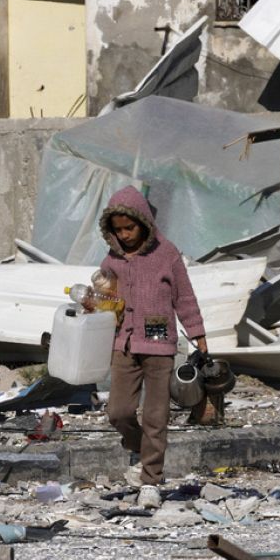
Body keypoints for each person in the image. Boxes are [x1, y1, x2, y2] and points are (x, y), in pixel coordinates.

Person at [98, 186, 206, 489]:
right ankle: (139, 447)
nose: (124, 235)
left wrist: (197, 332)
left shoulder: (167, 254)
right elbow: (104, 296)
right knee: (118, 412)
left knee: (156, 416)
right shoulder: (112, 259)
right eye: (118, 230)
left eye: (129, 228)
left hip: (159, 343)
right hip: (124, 343)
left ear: (143, 221)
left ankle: (151, 480)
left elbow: (184, 297)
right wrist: (95, 302)